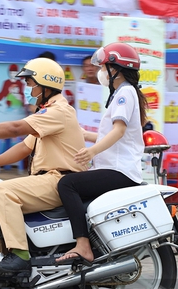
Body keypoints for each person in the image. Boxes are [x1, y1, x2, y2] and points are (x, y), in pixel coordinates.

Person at [0, 57, 86, 274]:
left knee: (4, 192)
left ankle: (20, 257)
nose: (28, 89)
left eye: (30, 83)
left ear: (45, 84)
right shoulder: (47, 114)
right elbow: (23, 148)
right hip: (47, 179)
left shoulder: (58, 111)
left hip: (59, 180)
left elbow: (15, 129)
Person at [55, 42, 146, 263]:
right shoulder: (122, 94)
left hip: (120, 171)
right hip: (116, 167)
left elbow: (119, 130)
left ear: (116, 69)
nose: (100, 72)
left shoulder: (125, 93)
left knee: (66, 184)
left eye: (104, 67)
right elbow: (116, 136)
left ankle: (83, 245)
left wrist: (91, 151)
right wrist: (85, 135)